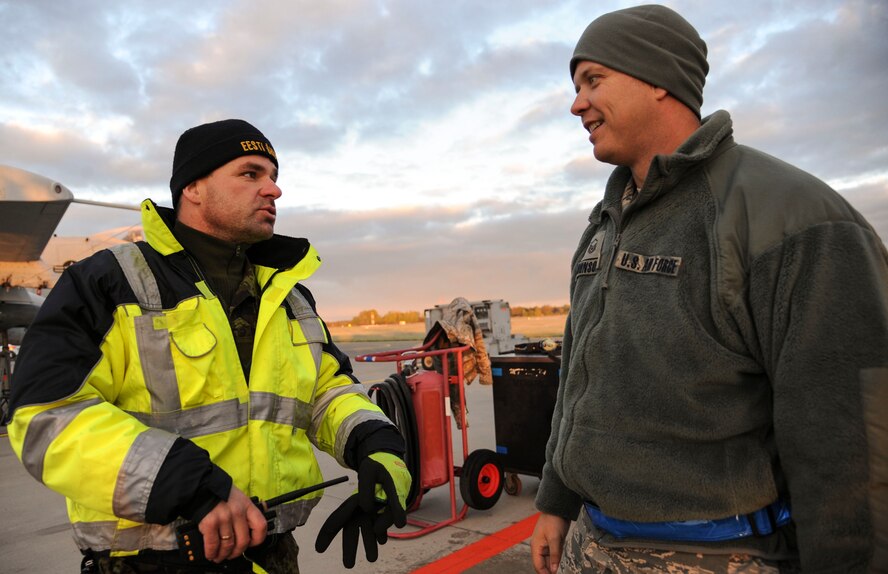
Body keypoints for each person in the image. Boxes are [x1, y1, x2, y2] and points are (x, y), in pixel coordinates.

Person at [530, 5, 888, 573]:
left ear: (657, 81)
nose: (576, 103)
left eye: (593, 80)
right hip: (591, 542)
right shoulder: (605, 221)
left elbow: (848, 445)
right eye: (576, 86)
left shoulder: (792, 217)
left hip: (718, 554)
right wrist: (555, 501)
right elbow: (578, 373)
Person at [8, 119, 411, 573]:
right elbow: (44, 415)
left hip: (274, 553)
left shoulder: (289, 296)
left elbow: (328, 390)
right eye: (251, 173)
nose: (273, 190)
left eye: (274, 177)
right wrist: (189, 485)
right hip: (155, 560)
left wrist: (377, 446)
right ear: (193, 188)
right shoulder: (109, 282)